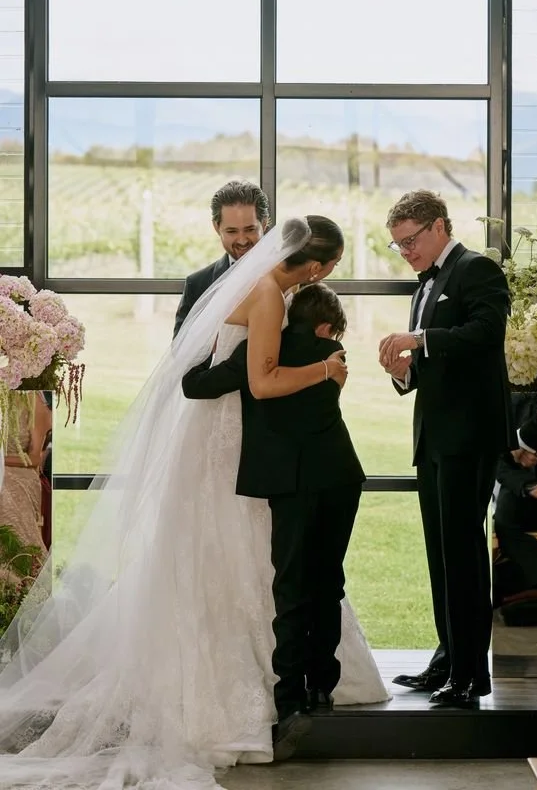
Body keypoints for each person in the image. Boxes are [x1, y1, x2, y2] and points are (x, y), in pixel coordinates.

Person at [0, 216, 384, 790]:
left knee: (243, 548)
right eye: (328, 268)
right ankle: (268, 684)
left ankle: (289, 675)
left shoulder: (260, 289)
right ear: (314, 266)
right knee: (241, 546)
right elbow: (261, 382)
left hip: (230, 428)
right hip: (230, 435)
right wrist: (328, 368)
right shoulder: (268, 296)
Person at [183, 282, 383, 759]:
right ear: (326, 326)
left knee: (290, 586)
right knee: (328, 581)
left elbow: (195, 386)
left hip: (290, 484)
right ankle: (322, 686)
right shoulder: (332, 355)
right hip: (338, 476)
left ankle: (290, 698)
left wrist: (210, 348)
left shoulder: (258, 353)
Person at [378, 190, 513, 708]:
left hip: (468, 437)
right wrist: (403, 371)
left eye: (411, 241)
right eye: (398, 245)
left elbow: (486, 332)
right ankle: (448, 658)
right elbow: (430, 363)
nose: (406, 252)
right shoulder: (425, 285)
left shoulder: (477, 269)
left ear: (439, 227)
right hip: (433, 439)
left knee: (461, 554)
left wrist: (420, 340)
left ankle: (471, 674)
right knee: (440, 555)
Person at [493, 375, 537, 624]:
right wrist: (527, 485)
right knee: (504, 519)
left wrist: (524, 443)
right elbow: (494, 452)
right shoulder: (501, 385)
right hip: (521, 483)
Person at [173, 179, 270, 338]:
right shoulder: (197, 284)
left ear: (264, 224)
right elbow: (180, 348)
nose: (242, 240)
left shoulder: (289, 275)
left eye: (250, 229)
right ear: (217, 227)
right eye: (232, 231)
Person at [0, 390, 52, 561]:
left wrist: (2, 460)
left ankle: (16, 565)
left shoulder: (31, 399)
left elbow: (35, 458)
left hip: (19, 469)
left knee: (5, 493)